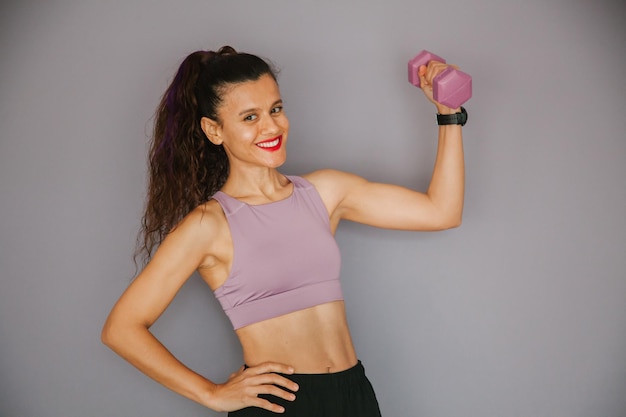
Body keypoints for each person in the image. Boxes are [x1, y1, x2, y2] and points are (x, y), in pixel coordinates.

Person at [101, 45, 465, 416]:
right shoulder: (208, 225)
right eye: (249, 117)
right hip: (281, 406)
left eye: (275, 109)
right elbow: (122, 328)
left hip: (354, 394)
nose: (271, 127)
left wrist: (448, 115)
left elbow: (441, 212)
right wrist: (211, 394)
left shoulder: (324, 193)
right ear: (214, 130)